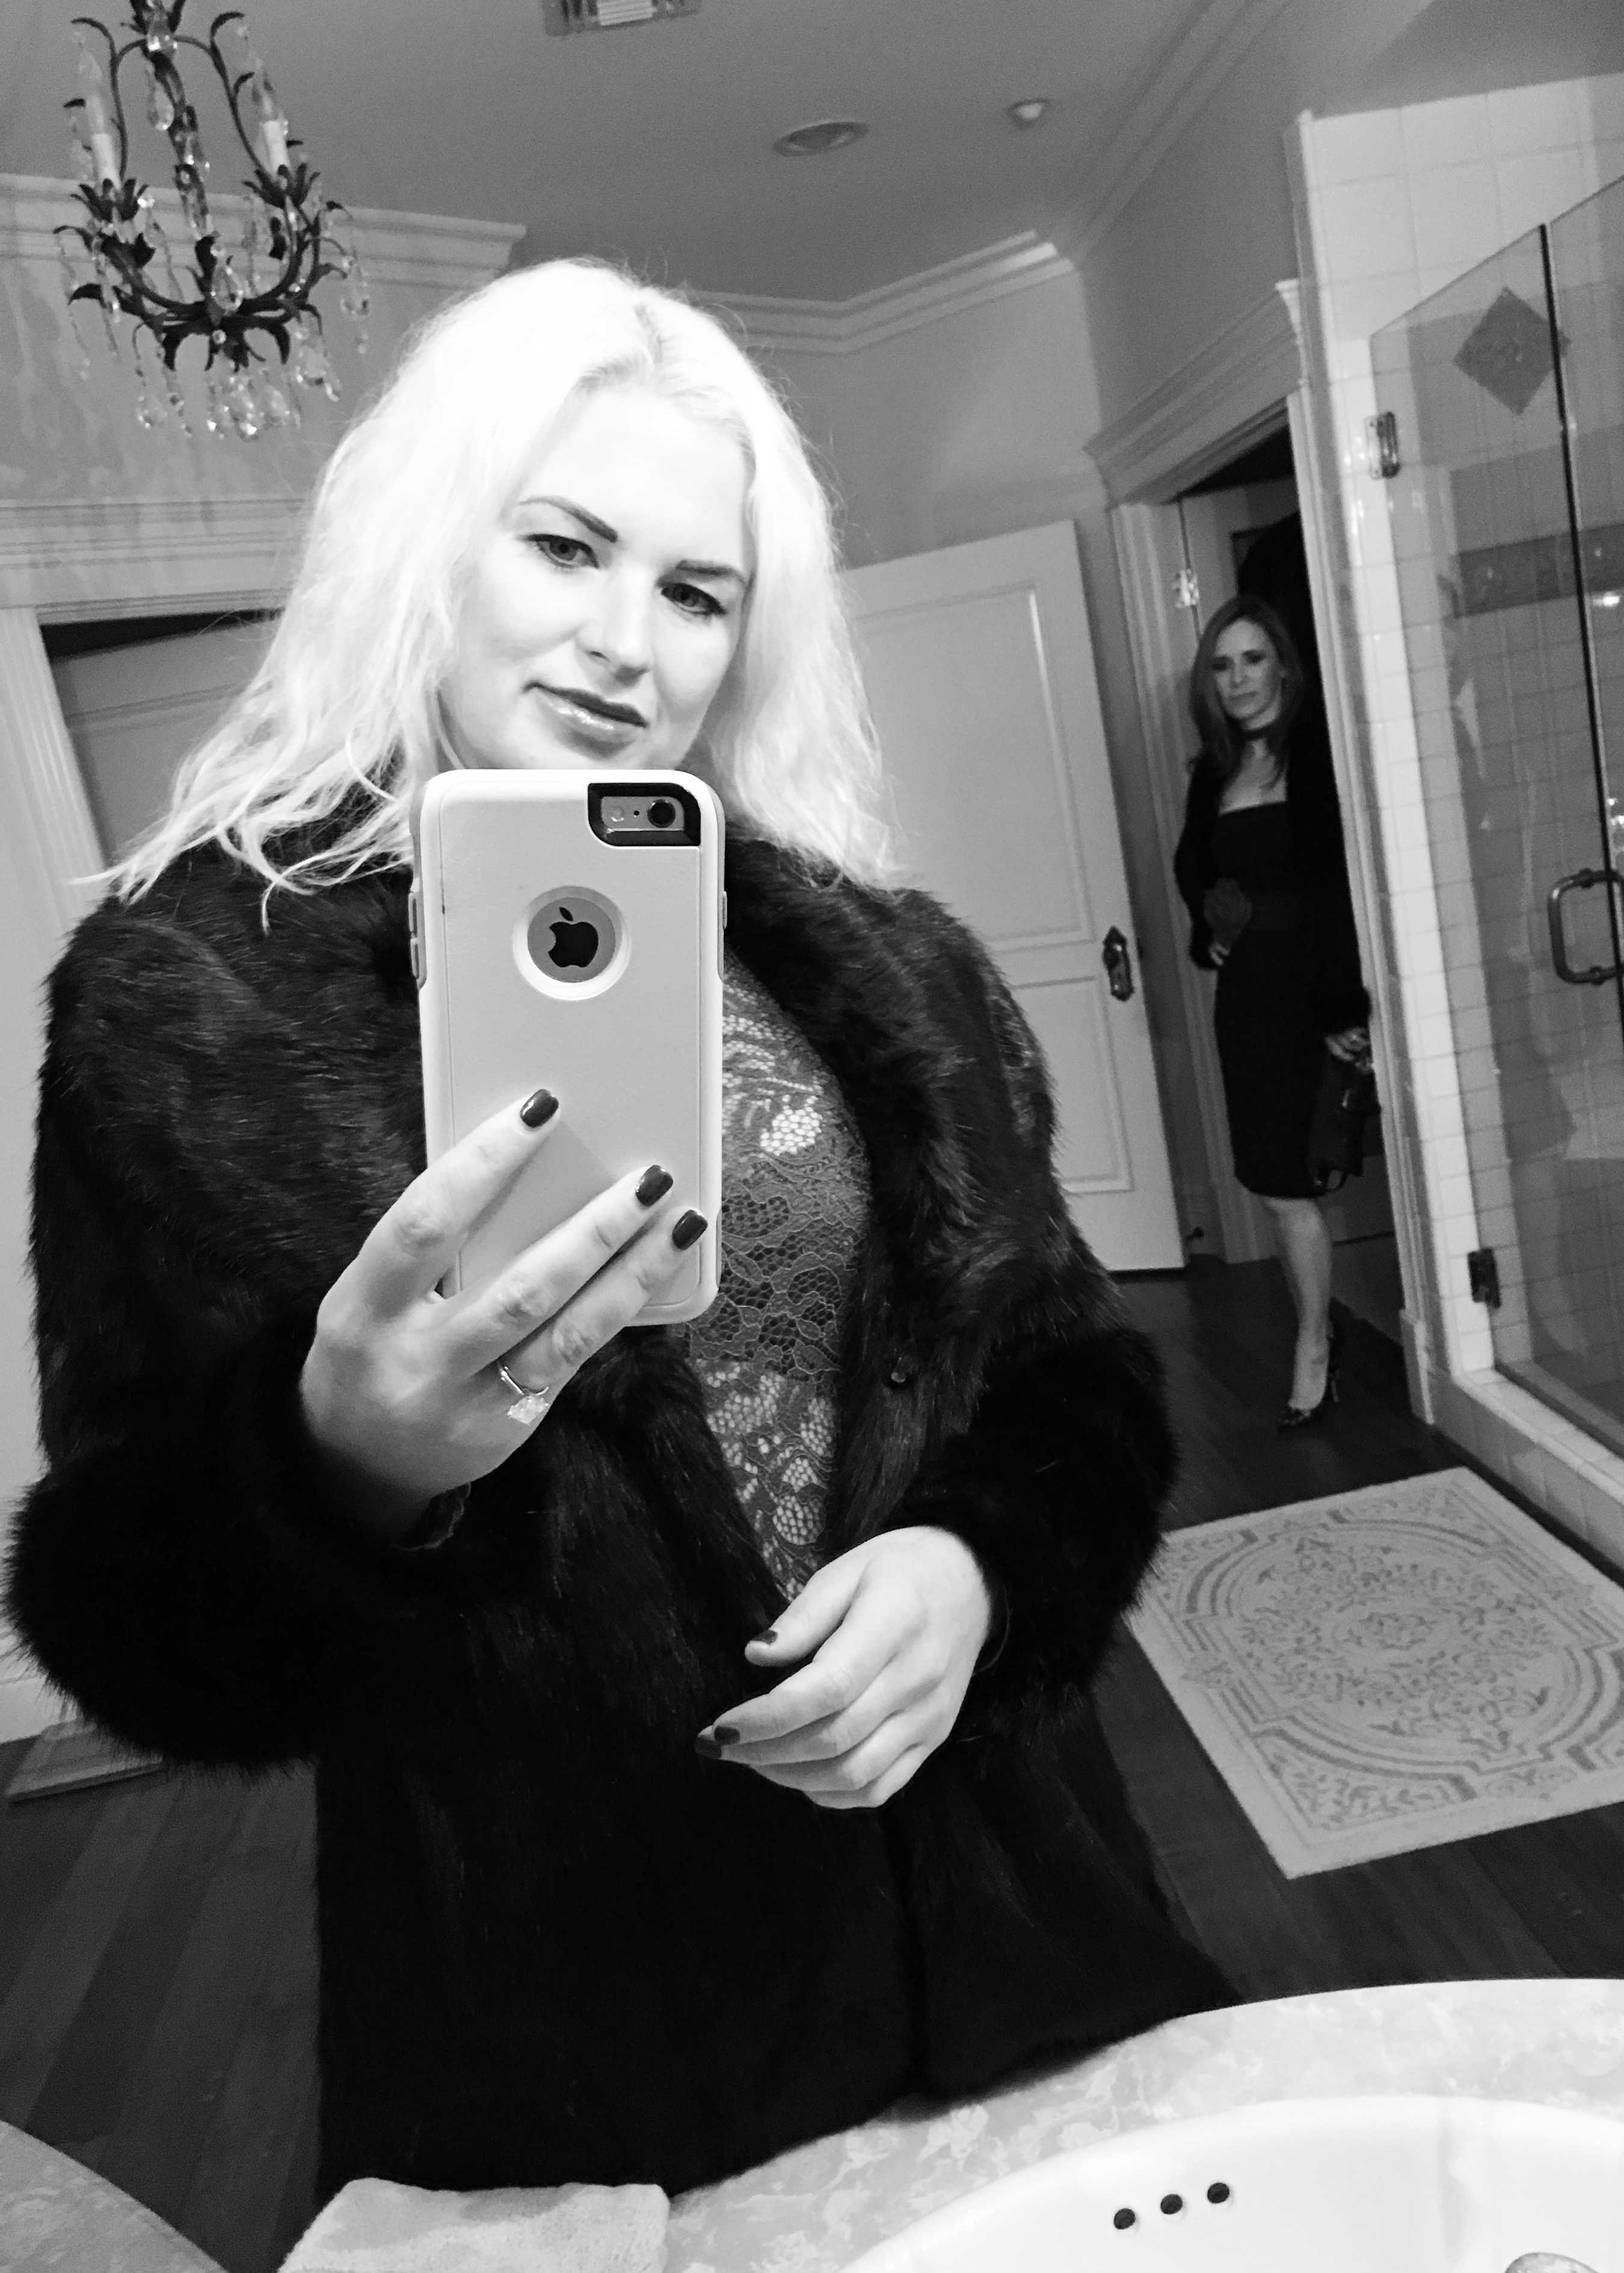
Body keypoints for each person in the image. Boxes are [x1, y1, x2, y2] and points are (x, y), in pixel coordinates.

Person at [6, 259, 1228, 2206]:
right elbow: (117, 1612)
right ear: (434, 543)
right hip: (583, 2007)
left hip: (1009, 1904)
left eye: (695, 590)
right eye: (565, 547)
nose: (623, 639)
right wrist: (335, 1465)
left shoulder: (890, 964)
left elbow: (1074, 1369)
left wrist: (981, 1571)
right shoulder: (186, 1006)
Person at [1172, 595, 1370, 1430]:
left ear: (1284, 665)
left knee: (1313, 1170)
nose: (1238, 679)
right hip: (1250, 999)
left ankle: (1321, 1341)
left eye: (1253, 660)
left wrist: (1341, 1005)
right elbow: (1196, 869)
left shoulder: (1323, 753)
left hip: (1322, 990)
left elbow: (1338, 887)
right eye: (1222, 666)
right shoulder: (1214, 772)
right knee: (1273, 1180)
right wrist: (1208, 933)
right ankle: (1318, 1335)